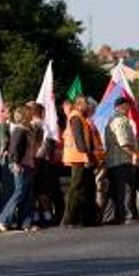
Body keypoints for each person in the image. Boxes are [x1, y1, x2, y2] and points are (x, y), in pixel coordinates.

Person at [0, 105, 36, 231]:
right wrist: (15, 163)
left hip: (28, 164)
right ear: (25, 115)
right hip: (21, 165)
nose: (32, 115)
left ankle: (25, 223)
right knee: (18, 193)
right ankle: (3, 219)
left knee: (27, 195)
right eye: (29, 113)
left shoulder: (28, 130)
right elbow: (14, 149)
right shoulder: (19, 131)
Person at [105, 97, 139, 225]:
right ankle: (128, 216)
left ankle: (113, 217)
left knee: (116, 190)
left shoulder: (113, 120)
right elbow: (124, 143)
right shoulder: (120, 121)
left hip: (115, 161)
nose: (129, 108)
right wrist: (134, 155)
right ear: (122, 106)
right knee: (126, 189)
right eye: (127, 105)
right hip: (122, 160)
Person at [62, 96, 94, 227]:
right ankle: (69, 219)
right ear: (80, 104)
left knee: (81, 188)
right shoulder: (75, 117)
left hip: (79, 156)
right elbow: (79, 139)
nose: (88, 106)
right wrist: (86, 156)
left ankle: (80, 218)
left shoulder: (79, 117)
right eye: (86, 104)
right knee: (75, 188)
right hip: (77, 157)